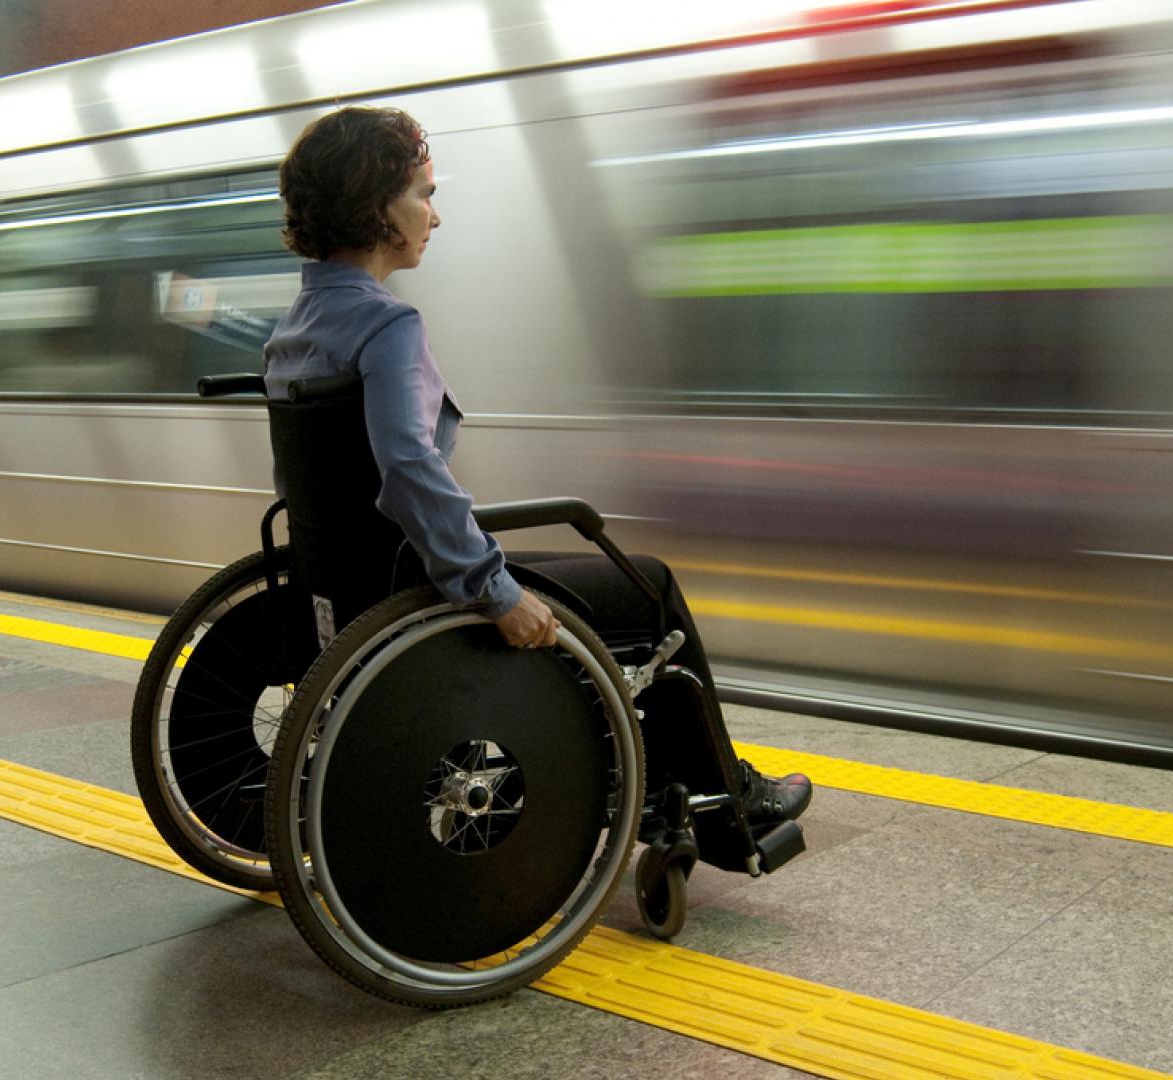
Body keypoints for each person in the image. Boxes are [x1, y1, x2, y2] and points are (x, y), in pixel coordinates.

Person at [262, 106, 809, 831]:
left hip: (350, 580)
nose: (435, 214)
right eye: (423, 193)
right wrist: (493, 588)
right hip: (417, 579)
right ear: (375, 208)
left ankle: (663, 775)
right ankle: (724, 800)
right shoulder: (388, 325)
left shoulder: (293, 328)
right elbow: (406, 467)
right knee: (648, 587)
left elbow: (303, 486)